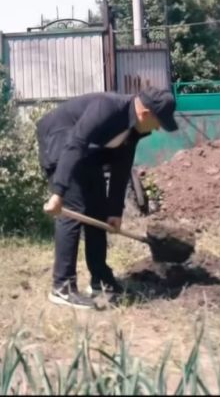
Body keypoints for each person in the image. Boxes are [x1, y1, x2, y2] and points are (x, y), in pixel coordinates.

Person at [37, 86, 179, 309]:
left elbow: (121, 168)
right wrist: (59, 192)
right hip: (61, 139)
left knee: (98, 210)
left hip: (87, 151)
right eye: (159, 121)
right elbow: (75, 143)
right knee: (74, 206)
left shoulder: (135, 129)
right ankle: (62, 286)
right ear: (145, 113)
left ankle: (99, 279)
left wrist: (114, 212)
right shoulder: (107, 108)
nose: (159, 128)